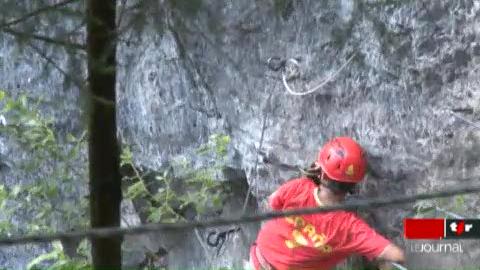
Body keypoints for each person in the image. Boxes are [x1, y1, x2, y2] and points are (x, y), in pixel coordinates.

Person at [249, 137, 405, 270]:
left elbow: (274, 202)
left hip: (257, 259)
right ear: (354, 184)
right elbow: (396, 254)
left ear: (322, 173)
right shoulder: (349, 228)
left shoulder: (299, 187)